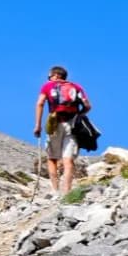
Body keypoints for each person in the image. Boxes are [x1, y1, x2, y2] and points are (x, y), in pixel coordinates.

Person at [34, 65, 90, 196]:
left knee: (52, 158)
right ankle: (67, 192)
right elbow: (87, 105)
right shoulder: (76, 87)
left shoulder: (47, 86)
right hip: (72, 125)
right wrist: (79, 115)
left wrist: (38, 125)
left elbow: (40, 103)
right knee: (68, 160)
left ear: (52, 75)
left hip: (55, 124)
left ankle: (55, 190)